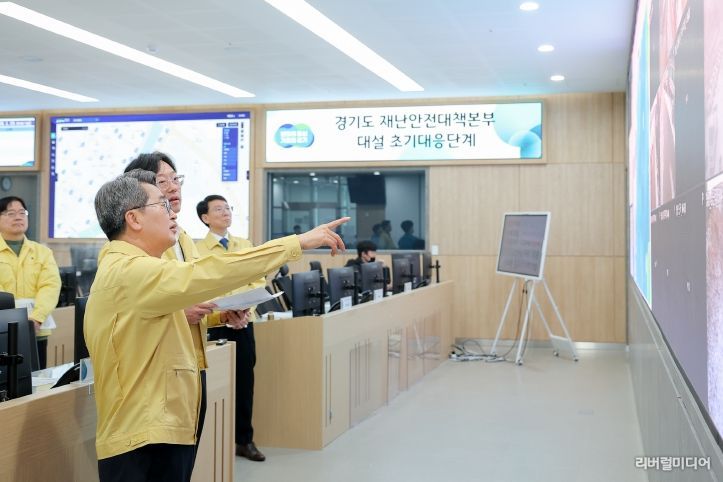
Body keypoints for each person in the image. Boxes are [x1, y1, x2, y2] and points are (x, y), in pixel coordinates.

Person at [85, 170, 348, 482]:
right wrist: (296, 243)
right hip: (141, 438)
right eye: (162, 205)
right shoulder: (129, 270)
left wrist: (216, 315)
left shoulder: (138, 269)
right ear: (134, 218)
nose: (172, 212)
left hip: (157, 426)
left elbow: (167, 322)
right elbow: (210, 272)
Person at [122, 152, 240, 462]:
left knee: (183, 461)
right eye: (163, 181)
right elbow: (138, 307)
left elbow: (194, 296)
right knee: (162, 463)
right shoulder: (133, 246)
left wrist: (221, 314)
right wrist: (179, 312)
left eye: (176, 179)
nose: (174, 187)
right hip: (157, 371)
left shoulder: (183, 237)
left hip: (192, 363)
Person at [195, 194, 266, 461]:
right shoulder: (197, 250)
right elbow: (200, 286)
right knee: (212, 386)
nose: (226, 212)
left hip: (243, 322)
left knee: (245, 383)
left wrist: (245, 309)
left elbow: (257, 279)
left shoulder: (244, 245)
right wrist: (223, 312)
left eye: (228, 208)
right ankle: (212, 444)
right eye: (218, 209)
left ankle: (244, 440)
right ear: (205, 218)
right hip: (213, 324)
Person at [0, 196, 60, 369]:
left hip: (36, 329)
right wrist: (13, 319)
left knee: (36, 378)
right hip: (2, 329)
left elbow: (50, 286)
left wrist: (36, 318)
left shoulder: (42, 252)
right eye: (11, 213)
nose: (18, 217)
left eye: (22, 213)